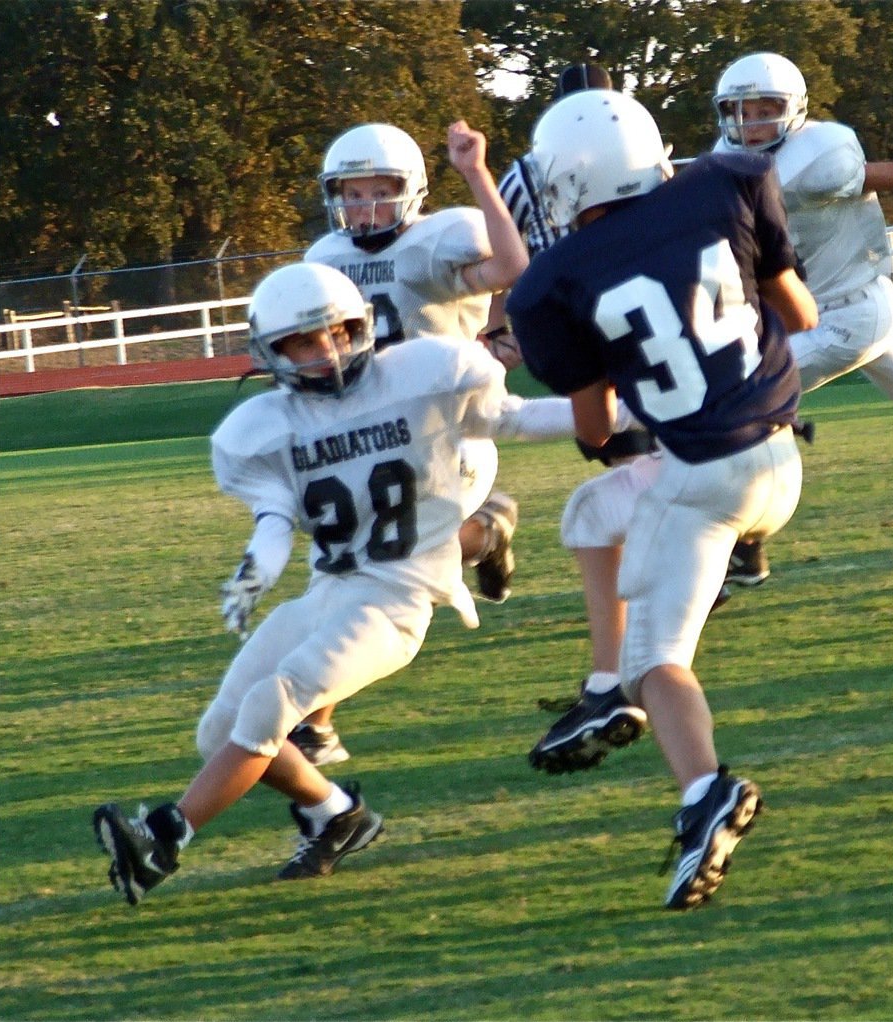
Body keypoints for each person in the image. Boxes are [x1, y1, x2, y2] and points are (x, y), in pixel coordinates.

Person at [528, 51, 893, 777]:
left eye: (765, 110)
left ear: (796, 109)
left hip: (847, 312)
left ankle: (743, 550)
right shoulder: (727, 164)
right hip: (830, 310)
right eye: (740, 111)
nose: (752, 124)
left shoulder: (819, 156)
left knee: (728, 398)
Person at [91, 259, 591, 906]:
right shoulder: (266, 427)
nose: (326, 353)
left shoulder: (421, 373)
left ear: (362, 326)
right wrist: (257, 568)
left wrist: (625, 410)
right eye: (304, 342)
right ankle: (335, 814)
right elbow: (275, 519)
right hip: (329, 590)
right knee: (218, 733)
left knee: (271, 705)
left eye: (337, 332)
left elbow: (516, 418)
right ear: (272, 352)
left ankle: (164, 837)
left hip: (397, 598)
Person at [506, 90, 820, 909]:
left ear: (568, 182)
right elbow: (800, 313)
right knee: (597, 513)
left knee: (655, 665)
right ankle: (605, 689)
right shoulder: (729, 182)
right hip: (780, 460)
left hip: (701, 481)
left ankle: (705, 793)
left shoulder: (549, 285)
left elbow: (594, 426)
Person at [293, 118, 530, 765]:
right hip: (366, 441)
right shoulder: (326, 259)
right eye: (353, 193)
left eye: (381, 191)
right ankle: (486, 533)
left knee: (370, 568)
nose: (366, 207)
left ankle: (315, 724)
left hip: (448, 439)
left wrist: (476, 173)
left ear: (411, 191)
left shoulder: (436, 242)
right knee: (345, 569)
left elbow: (512, 266)